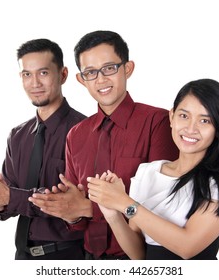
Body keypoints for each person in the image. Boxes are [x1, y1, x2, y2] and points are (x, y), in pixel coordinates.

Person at [28, 30, 179, 260]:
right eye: (90, 72)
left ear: (127, 68)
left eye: (109, 68)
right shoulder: (76, 135)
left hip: (143, 259)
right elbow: (78, 221)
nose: (100, 79)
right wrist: (70, 212)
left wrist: (89, 208)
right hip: (88, 257)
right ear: (81, 79)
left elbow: (163, 205)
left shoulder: (157, 122)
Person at [87, 78, 219, 260]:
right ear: (171, 117)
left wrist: (124, 202)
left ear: (218, 128)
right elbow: (138, 255)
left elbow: (187, 247)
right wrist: (113, 212)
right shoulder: (147, 171)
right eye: (184, 116)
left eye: (204, 121)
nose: (191, 128)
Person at [0, 39, 86, 260]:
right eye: (27, 74)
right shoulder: (17, 135)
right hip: (22, 255)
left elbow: (69, 203)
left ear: (63, 74)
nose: (34, 83)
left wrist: (10, 196)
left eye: (43, 73)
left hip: (67, 257)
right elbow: (10, 201)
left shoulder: (84, 131)